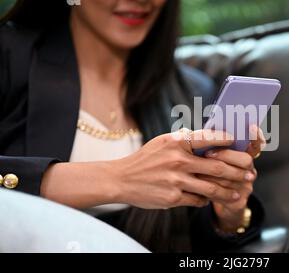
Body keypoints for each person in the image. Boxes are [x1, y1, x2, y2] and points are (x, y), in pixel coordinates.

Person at [0, 0, 265, 252]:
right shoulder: (10, 55)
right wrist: (118, 179)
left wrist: (229, 214)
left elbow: (187, 242)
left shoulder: (192, 91)